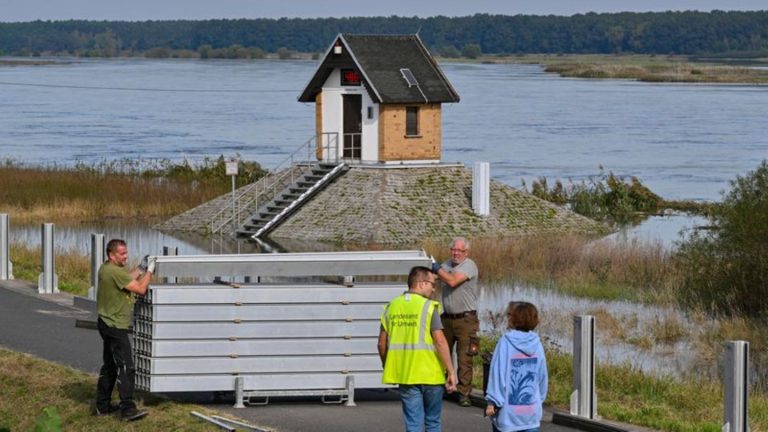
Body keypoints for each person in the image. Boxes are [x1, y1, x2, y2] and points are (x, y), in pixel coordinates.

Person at [378, 266, 458, 432]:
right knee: (433, 422)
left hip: (407, 375)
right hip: (432, 375)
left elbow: (381, 344)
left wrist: (387, 364)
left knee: (413, 424)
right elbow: (440, 341)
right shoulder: (429, 307)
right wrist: (451, 371)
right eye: (432, 284)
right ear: (421, 284)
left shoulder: (391, 307)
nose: (433, 288)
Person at [94, 239, 155, 422]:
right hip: (115, 327)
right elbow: (141, 289)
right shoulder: (113, 271)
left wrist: (141, 268)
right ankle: (128, 409)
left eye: (126, 252)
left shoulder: (107, 268)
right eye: (122, 254)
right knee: (126, 366)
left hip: (105, 322)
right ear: (111, 255)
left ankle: (102, 407)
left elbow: (127, 278)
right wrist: (150, 271)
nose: (126, 256)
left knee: (111, 366)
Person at [485, 302, 548, 432]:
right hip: (530, 414)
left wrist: (493, 401)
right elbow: (542, 376)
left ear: (513, 319)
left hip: (508, 414)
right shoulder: (537, 344)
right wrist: (539, 399)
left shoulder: (505, 342)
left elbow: (498, 374)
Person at [431, 236, 479, 407]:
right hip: (447, 317)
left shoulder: (469, 266)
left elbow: (452, 281)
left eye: (460, 250)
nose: (456, 253)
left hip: (466, 319)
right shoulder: (446, 265)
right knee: (441, 353)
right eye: (454, 250)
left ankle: (464, 393)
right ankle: (442, 387)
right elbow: (434, 277)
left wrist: (437, 270)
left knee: (464, 357)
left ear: (466, 252)